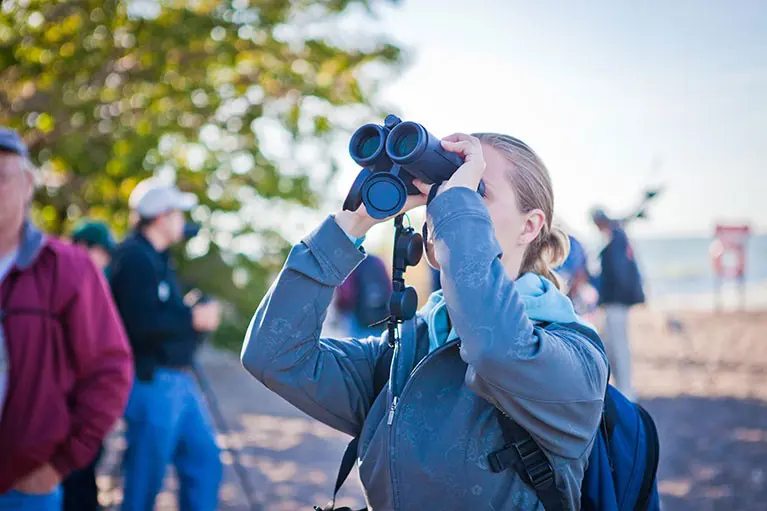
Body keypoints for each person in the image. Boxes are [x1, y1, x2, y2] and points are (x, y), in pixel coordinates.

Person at [242, 132, 608, 509]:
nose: (444, 204)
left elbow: (495, 348)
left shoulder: (576, 355)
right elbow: (274, 355)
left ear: (529, 227)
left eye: (474, 189)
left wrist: (455, 210)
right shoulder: (406, 350)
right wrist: (350, 224)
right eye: (444, 189)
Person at [0, 127, 133, 510]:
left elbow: (110, 369)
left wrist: (60, 464)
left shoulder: (69, 269)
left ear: (27, 184)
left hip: (23, 492)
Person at [109, 178, 222, 511]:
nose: (182, 222)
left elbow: (159, 314)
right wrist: (191, 318)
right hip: (151, 382)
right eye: (177, 214)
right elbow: (138, 324)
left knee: (205, 462)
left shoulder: (159, 259)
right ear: (160, 216)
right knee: (144, 482)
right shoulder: (133, 258)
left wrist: (189, 314)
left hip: (178, 381)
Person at [62, 220, 119, 511]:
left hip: (89, 405)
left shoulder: (100, 281)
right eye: (102, 251)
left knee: (86, 474)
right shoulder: (64, 282)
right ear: (83, 247)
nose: (106, 259)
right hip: (65, 408)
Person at [590, 208, 645, 402]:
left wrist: (605, 291)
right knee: (613, 347)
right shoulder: (616, 237)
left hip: (616, 302)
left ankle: (626, 391)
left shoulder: (615, 239)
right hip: (614, 302)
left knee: (619, 347)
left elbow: (618, 274)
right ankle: (623, 388)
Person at [334, 253, 392, 337]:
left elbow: (346, 293)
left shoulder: (352, 262)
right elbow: (389, 288)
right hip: (379, 318)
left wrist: (340, 310)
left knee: (356, 347)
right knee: (378, 346)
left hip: (357, 318)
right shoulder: (377, 261)